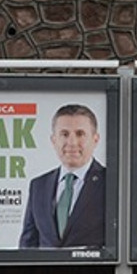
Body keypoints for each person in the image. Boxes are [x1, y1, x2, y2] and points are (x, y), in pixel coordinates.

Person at [20, 104, 107, 248]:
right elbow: (28, 244)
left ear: (95, 139)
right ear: (54, 140)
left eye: (80, 134)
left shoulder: (110, 182)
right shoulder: (38, 185)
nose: (72, 143)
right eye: (64, 134)